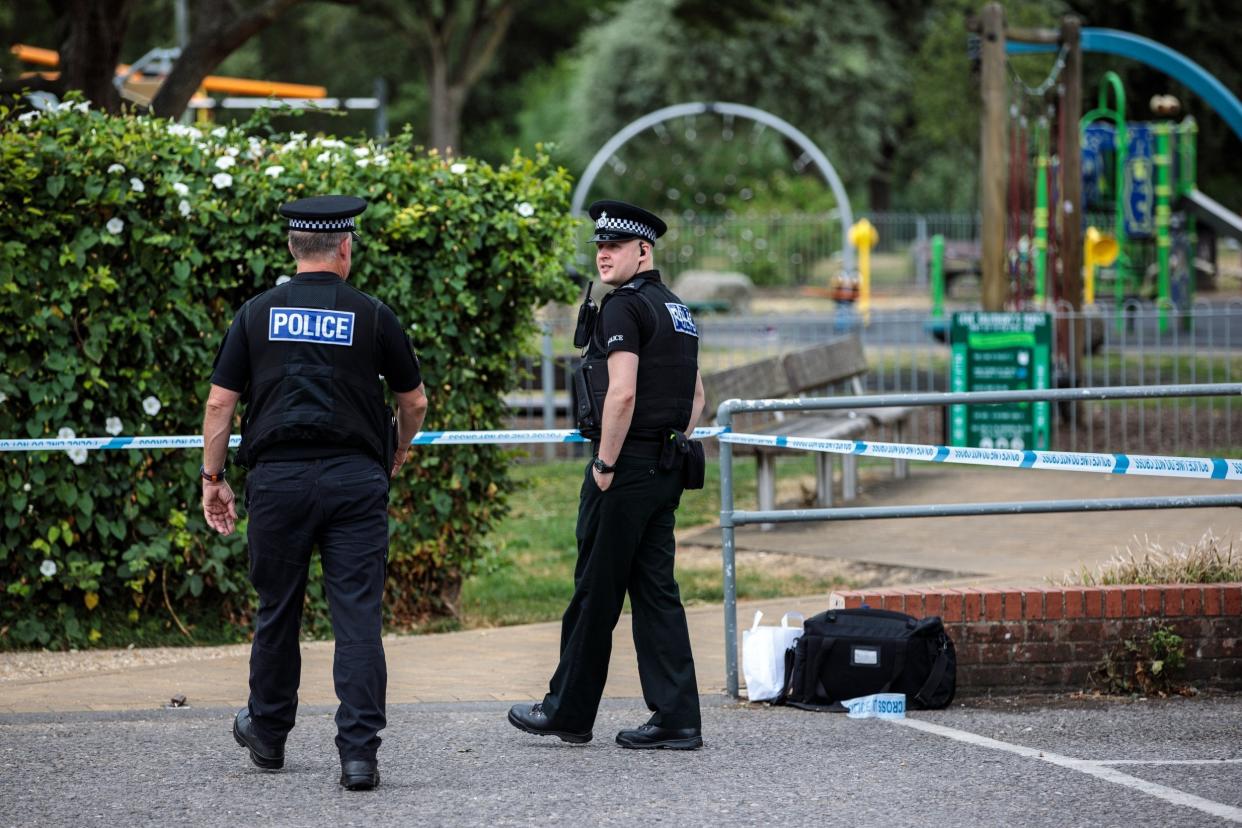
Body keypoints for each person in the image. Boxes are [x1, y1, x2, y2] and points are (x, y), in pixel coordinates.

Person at [200, 195, 428, 791]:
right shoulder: (373, 315)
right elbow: (415, 401)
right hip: (356, 481)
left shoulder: (256, 314)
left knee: (278, 610)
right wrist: (398, 449)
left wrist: (213, 479)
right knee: (357, 617)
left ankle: (269, 737)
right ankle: (358, 757)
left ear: (293, 248)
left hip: (277, 483)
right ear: (345, 248)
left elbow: (221, 402)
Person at [508, 199, 707, 750]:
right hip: (664, 467)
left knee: (595, 592)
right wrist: (668, 440)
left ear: (643, 250)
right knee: (656, 593)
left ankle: (567, 712)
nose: (603, 255)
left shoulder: (623, 307)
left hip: (624, 471)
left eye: (614, 246)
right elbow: (695, 396)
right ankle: (677, 718)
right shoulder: (677, 309)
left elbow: (621, 393)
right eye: (599, 246)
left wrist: (606, 463)